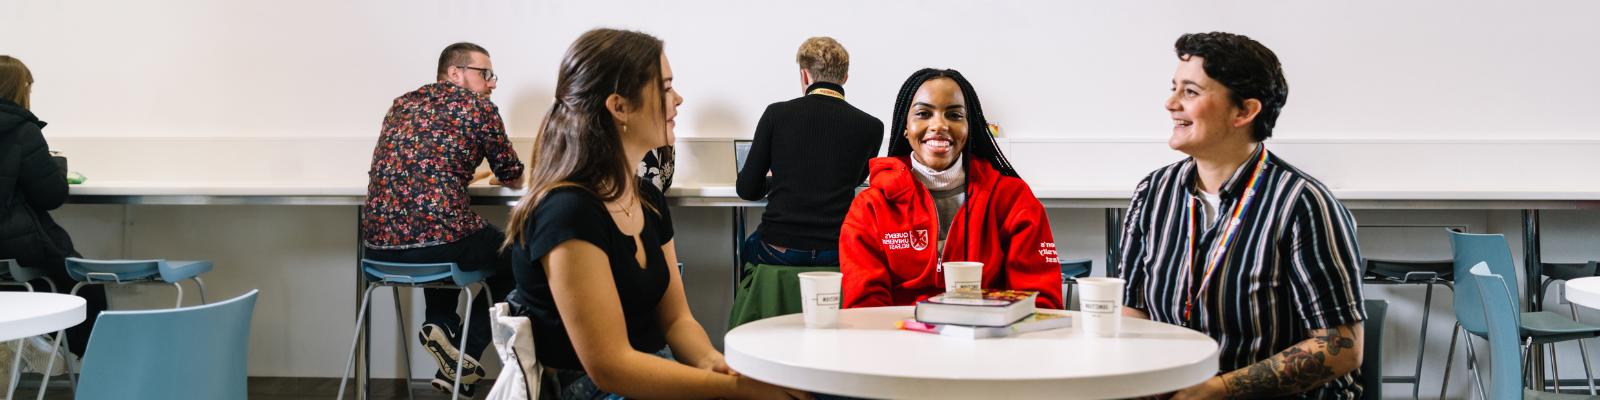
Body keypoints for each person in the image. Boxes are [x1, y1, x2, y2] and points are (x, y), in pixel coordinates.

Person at [502, 28, 810, 400]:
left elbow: (676, 320)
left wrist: (716, 364)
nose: (678, 99)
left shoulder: (645, 197)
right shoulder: (567, 211)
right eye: (665, 88)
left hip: (649, 371)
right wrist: (734, 389)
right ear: (619, 107)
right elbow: (610, 368)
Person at [1118, 32, 1366, 400]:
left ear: (1245, 111)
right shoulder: (1153, 192)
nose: (1170, 103)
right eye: (1174, 89)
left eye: (1190, 92)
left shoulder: (1303, 203)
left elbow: (1342, 348)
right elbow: (1132, 308)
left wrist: (1218, 390)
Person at [360, 42, 523, 398]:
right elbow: (511, 174)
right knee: (516, 256)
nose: (492, 83)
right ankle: (463, 357)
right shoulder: (478, 107)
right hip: (439, 243)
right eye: (485, 74)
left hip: (376, 252)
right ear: (455, 73)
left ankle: (441, 327)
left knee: (447, 233)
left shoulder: (402, 104)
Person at [839, 68, 1062, 310]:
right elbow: (865, 311)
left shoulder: (1013, 200)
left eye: (954, 115)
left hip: (989, 342)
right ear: (905, 127)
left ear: (969, 128)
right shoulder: (871, 207)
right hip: (899, 342)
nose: (939, 125)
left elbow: (1040, 304)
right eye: (924, 113)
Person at [735, 37, 883, 270]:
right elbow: (855, 180)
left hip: (778, 248)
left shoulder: (777, 114)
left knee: (746, 247)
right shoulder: (872, 126)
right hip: (837, 251)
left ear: (805, 76)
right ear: (844, 78)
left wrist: (773, 183)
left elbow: (746, 190)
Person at [0, 55, 103, 389]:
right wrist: (57, 163)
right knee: (84, 280)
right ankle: (59, 348)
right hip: (11, 246)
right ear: (21, 87)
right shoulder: (21, 129)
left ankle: (22, 339)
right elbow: (51, 196)